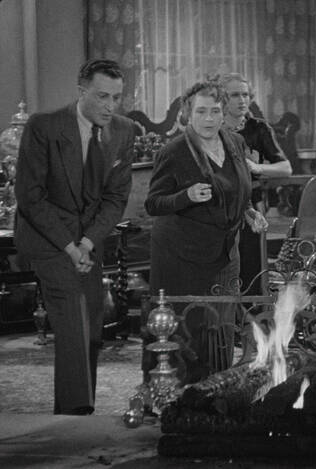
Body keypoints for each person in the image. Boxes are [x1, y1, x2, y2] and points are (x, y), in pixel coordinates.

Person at [15, 59, 135, 415]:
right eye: (102, 96)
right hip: (49, 236)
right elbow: (31, 197)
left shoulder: (124, 130)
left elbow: (115, 199)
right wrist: (70, 247)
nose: (110, 106)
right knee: (73, 322)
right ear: (81, 92)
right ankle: (76, 415)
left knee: (93, 331)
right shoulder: (44, 126)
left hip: (88, 241)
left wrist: (87, 243)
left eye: (116, 97)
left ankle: (79, 411)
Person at [143, 80, 267, 385]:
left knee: (221, 328)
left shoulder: (235, 142)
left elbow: (239, 189)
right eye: (201, 111)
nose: (209, 118)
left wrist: (249, 212)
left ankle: (217, 392)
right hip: (182, 257)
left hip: (226, 254)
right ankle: (176, 396)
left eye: (215, 111)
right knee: (188, 331)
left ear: (224, 112)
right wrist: (186, 196)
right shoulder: (174, 152)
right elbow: (153, 203)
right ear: (188, 113)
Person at [220, 73, 292, 296]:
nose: (242, 100)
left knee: (252, 266)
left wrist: (256, 167)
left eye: (246, 95)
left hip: (253, 205)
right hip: (220, 207)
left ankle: (253, 311)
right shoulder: (213, 127)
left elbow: (286, 168)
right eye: (235, 95)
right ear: (223, 99)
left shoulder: (258, 128)